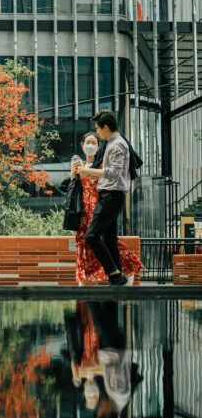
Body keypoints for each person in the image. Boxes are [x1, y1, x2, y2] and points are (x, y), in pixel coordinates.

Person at [74, 110, 139, 288]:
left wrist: (88, 171)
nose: (97, 133)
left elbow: (114, 173)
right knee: (109, 239)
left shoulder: (116, 145)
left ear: (106, 127)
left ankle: (114, 274)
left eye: (98, 129)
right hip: (109, 195)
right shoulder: (112, 143)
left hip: (111, 195)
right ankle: (117, 278)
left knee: (92, 236)